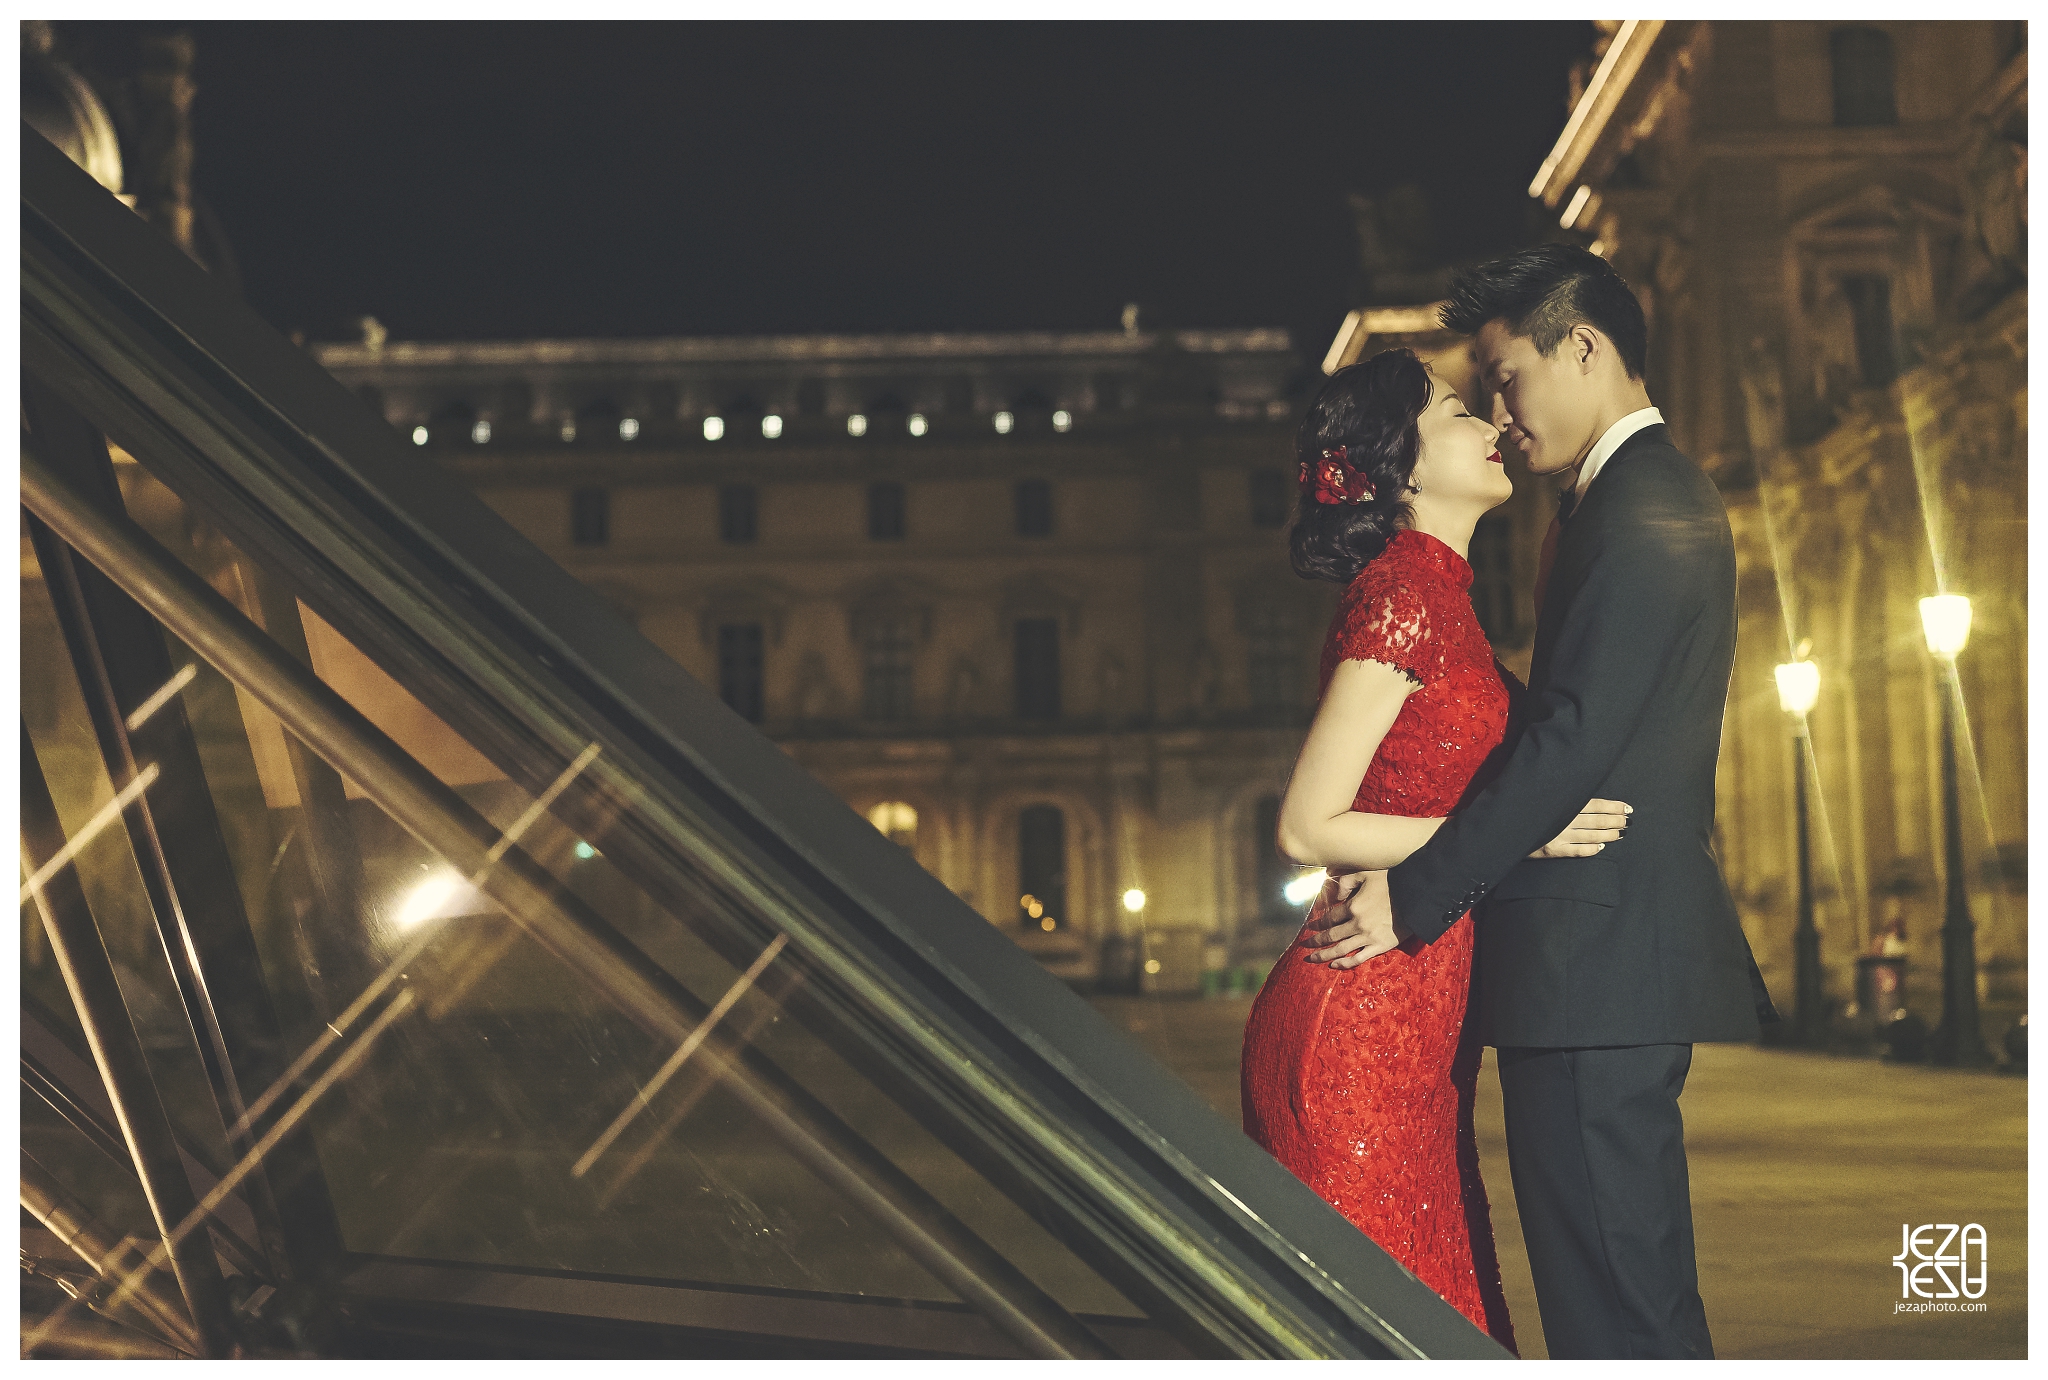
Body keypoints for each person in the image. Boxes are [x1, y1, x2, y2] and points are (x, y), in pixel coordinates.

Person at [1307, 245, 1780, 1359]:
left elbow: (1572, 738)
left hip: (1597, 964)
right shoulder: (1610, 502)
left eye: (1504, 378)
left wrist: (1412, 895)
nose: (1500, 414)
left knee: (1618, 1304)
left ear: (1582, 347)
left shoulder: (1646, 503)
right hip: (1584, 962)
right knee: (1610, 1294)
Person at [1238, 346, 1629, 1354]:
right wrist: (1517, 834)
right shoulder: (1405, 592)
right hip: (1357, 1028)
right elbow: (1306, 824)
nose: (1490, 422)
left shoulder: (1440, 595)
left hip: (1411, 1031)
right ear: (1398, 468)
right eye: (1457, 412)